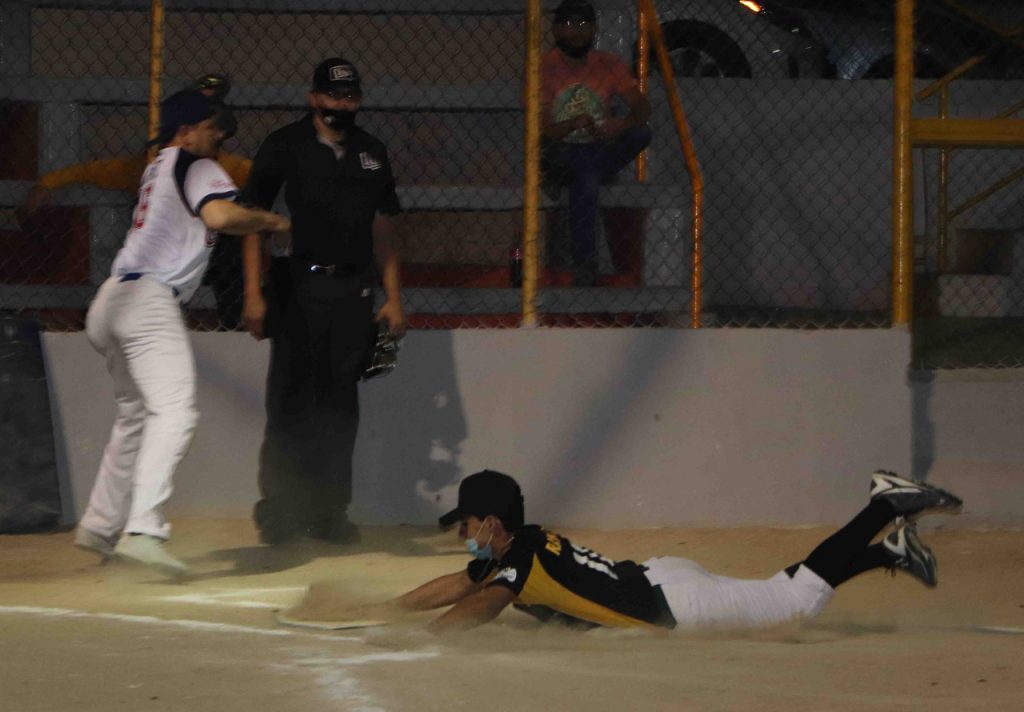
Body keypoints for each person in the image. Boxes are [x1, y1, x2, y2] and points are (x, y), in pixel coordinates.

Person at [73, 89, 291, 576]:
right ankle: (144, 529)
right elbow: (221, 216)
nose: (219, 137)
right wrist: (276, 221)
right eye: (212, 127)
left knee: (135, 416)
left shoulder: (158, 166)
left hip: (110, 301)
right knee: (173, 411)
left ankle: (101, 523)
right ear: (185, 131)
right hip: (148, 300)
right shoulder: (195, 163)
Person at [353, 469, 962, 634]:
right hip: (661, 580)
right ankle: (894, 553)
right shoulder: (521, 542)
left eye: (466, 523)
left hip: (679, 605)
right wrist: (390, 611)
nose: (463, 532)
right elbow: (461, 586)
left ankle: (886, 505)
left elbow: (479, 607)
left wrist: (423, 639)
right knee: (783, 588)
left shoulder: (519, 563)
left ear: (490, 522)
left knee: (795, 601)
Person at [240, 57, 405, 546]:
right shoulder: (284, 145)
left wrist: (394, 296)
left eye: (350, 96)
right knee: (290, 403)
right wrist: (253, 292)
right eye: (333, 96)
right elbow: (253, 217)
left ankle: (330, 514)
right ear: (314, 97)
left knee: (339, 406)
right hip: (298, 288)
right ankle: (279, 514)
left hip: (353, 291)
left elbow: (385, 228)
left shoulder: (372, 152)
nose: (341, 104)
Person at [17, 73, 251, 328]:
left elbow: (261, 175)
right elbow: (95, 170)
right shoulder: (152, 165)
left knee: (232, 243)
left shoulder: (222, 166)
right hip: (162, 257)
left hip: (209, 253)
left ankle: (233, 321)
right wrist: (48, 183)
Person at [540, 0, 652, 286]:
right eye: (567, 24)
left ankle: (587, 268)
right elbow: (543, 129)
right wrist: (571, 124)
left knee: (641, 134)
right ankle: (585, 266)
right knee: (587, 180)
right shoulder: (543, 67)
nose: (574, 31)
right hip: (560, 148)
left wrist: (620, 123)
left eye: (581, 24)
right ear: (554, 28)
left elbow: (641, 108)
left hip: (597, 146)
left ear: (593, 29)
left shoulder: (609, 63)